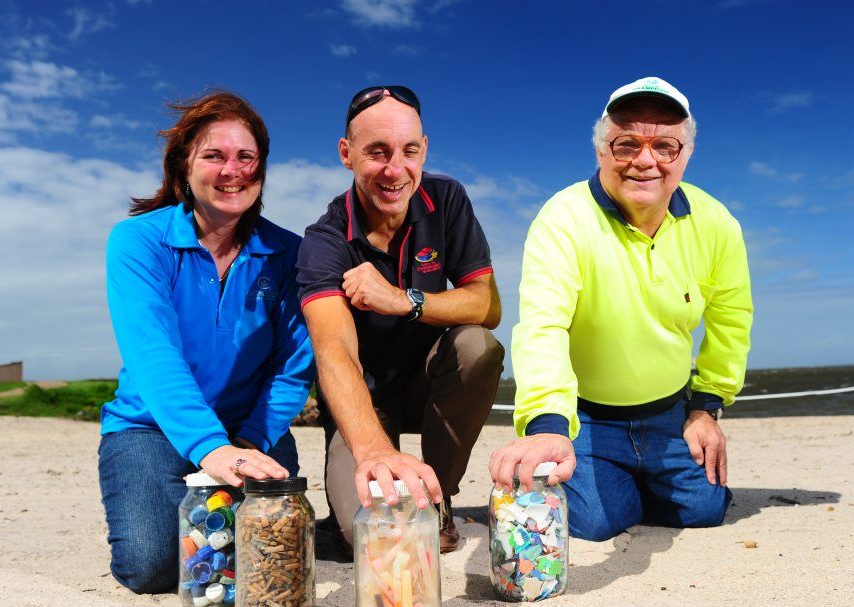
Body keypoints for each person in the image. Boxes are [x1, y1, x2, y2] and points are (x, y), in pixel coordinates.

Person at [491, 77, 753, 541]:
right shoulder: (563, 217)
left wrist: (707, 407)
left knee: (707, 509)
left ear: (686, 155)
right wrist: (548, 424)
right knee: (596, 523)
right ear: (600, 153)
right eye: (626, 144)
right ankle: (617, 481)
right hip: (586, 416)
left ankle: (642, 480)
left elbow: (731, 320)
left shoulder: (717, 224)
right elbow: (542, 324)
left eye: (665, 146)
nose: (645, 160)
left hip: (672, 412)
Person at [99, 91, 315, 592]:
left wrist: (247, 443)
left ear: (261, 168)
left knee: (269, 555)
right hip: (149, 429)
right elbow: (152, 353)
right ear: (184, 166)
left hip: (250, 428)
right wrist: (210, 449)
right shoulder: (138, 241)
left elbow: (294, 363)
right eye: (213, 156)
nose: (231, 170)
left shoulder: (290, 253)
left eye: (246, 157)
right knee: (151, 568)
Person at [297, 86, 504, 553]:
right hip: (361, 402)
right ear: (346, 154)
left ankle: (440, 495)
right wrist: (374, 451)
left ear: (424, 149)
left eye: (409, 151)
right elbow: (334, 353)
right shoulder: (323, 241)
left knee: (477, 345)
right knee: (371, 537)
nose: (396, 170)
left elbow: (487, 307)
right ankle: (348, 503)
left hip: (429, 387)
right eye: (377, 153)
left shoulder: (446, 198)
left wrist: (402, 299)